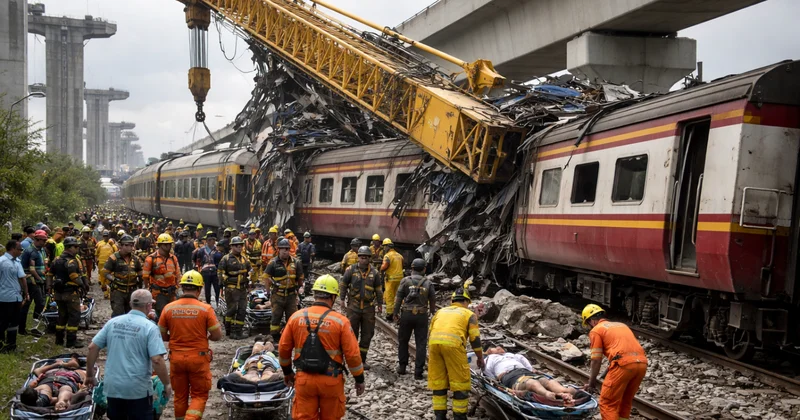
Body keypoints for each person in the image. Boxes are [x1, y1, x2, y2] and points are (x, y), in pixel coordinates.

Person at [278, 275, 366, 420]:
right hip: (331, 381)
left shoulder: (296, 317)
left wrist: (287, 372)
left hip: (304, 380)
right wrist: (359, 379)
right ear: (333, 297)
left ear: (314, 294)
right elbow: (352, 355)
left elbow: (283, 348)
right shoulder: (341, 321)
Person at [85, 290, 171, 420]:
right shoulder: (150, 327)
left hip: (113, 387)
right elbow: (157, 359)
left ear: (131, 304)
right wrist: (166, 384)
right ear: (149, 305)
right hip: (138, 390)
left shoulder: (113, 323)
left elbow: (92, 348)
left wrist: (90, 375)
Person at [159, 270, 222, 420]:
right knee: (199, 395)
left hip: (176, 358)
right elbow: (217, 335)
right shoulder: (205, 309)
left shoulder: (168, 308)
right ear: (199, 289)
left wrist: (174, 336)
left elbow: (161, 334)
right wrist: (205, 337)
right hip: (198, 359)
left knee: (180, 396)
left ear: (182, 288)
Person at [428, 279, 484, 420]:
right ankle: (459, 416)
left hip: (434, 344)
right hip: (453, 345)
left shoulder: (440, 311)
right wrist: (480, 358)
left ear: (452, 300)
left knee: (439, 381)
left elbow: (431, 331)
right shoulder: (469, 314)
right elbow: (475, 340)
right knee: (461, 382)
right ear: (466, 301)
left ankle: (440, 416)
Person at [582, 304, 648, 420]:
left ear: (591, 321)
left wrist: (591, 382)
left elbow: (596, 360)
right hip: (641, 364)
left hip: (623, 365)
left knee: (607, 403)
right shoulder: (622, 325)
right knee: (625, 401)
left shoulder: (596, 330)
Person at [484, 346, 576, 403]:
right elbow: (486, 370)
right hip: (509, 375)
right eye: (495, 348)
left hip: (525, 371)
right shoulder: (490, 358)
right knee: (531, 383)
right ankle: (548, 394)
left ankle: (564, 391)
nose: (499, 347)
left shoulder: (511, 355)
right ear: (489, 352)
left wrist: (530, 370)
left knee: (545, 381)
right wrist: (495, 380)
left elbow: (522, 358)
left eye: (499, 347)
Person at [340, 245, 382, 370]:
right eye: (362, 257)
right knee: (351, 333)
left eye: (366, 258)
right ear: (358, 258)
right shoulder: (351, 270)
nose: (364, 260)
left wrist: (380, 304)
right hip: (354, 306)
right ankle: (351, 359)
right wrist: (342, 299)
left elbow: (378, 290)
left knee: (367, 334)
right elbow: (343, 284)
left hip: (368, 308)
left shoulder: (375, 273)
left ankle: (362, 359)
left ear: (369, 259)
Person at [393, 258, 435, 379]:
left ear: (412, 268)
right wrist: (432, 312)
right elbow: (432, 300)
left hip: (407, 314)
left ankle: (402, 367)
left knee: (403, 340)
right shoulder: (428, 283)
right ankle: (418, 372)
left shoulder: (405, 281)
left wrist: (395, 313)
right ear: (424, 269)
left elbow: (398, 298)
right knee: (421, 343)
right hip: (421, 316)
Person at [49, 237, 88, 348]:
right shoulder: (72, 261)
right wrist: (83, 285)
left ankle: (59, 340)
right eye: (75, 246)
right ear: (69, 247)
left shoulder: (56, 260)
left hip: (58, 294)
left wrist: (49, 287)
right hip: (70, 294)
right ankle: (71, 341)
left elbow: (49, 274)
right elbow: (74, 276)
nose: (77, 249)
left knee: (62, 316)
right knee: (74, 316)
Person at [264, 238, 304, 343]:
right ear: (279, 250)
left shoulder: (296, 262)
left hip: (291, 295)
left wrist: (301, 288)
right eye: (283, 249)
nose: (285, 251)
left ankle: (290, 337)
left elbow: (300, 277)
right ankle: (275, 338)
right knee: (276, 316)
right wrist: (268, 292)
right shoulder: (273, 263)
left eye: (287, 249)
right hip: (278, 295)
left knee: (292, 317)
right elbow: (266, 277)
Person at [20, 354, 88, 410]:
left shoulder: (77, 370)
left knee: (62, 389)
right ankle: (62, 401)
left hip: (59, 380)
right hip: (59, 380)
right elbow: (37, 371)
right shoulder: (76, 371)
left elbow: (37, 371)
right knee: (65, 390)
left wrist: (61, 364)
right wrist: (58, 364)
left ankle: (61, 401)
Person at [218, 236, 252, 339]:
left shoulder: (244, 258)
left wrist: (249, 278)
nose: (239, 247)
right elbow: (220, 273)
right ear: (232, 246)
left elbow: (250, 270)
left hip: (242, 288)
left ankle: (238, 331)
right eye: (237, 245)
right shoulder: (226, 259)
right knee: (232, 309)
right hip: (231, 288)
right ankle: (229, 329)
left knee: (242, 309)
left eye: (241, 245)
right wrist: (226, 281)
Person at [142, 233, 181, 319]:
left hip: (172, 293)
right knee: (162, 316)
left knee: (173, 315)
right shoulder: (151, 259)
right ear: (159, 245)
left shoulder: (173, 258)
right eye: (165, 244)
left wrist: (179, 287)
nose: (168, 246)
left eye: (169, 244)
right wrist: (148, 289)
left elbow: (178, 274)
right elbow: (145, 276)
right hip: (159, 294)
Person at [104, 235, 143, 317]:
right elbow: (105, 272)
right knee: (118, 313)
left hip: (132, 290)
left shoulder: (135, 259)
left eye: (131, 245)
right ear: (120, 246)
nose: (129, 247)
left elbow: (140, 271)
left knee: (131, 313)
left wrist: (140, 285)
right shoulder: (113, 258)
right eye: (126, 245)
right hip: (118, 290)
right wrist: (113, 279)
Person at [0, 240, 28, 352]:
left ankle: (11, 345)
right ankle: (2, 344)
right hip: (4, 297)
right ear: (13, 249)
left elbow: (23, 278)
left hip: (16, 297)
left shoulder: (17, 262)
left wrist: (26, 294)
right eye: (19, 249)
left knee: (14, 322)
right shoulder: (2, 261)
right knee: (3, 321)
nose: (21, 251)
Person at [19, 230, 48, 335]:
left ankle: (24, 327)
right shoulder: (32, 251)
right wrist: (41, 280)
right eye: (43, 240)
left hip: (36, 280)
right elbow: (32, 269)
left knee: (28, 303)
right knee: (39, 302)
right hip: (32, 281)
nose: (45, 242)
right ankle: (31, 326)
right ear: (37, 240)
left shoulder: (39, 250)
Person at [194, 232, 223, 306]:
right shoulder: (201, 250)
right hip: (205, 272)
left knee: (217, 288)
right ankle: (208, 303)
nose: (212, 241)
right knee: (207, 288)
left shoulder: (217, 250)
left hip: (215, 272)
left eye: (213, 240)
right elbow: (196, 259)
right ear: (206, 241)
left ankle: (217, 303)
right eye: (210, 240)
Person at [380, 238, 404, 321]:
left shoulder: (387, 256)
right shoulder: (400, 255)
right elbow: (402, 265)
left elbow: (384, 267)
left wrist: (381, 271)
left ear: (387, 246)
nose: (383, 248)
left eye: (384, 246)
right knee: (398, 296)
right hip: (400, 279)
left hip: (391, 279)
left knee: (389, 296)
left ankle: (390, 314)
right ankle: (398, 312)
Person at [96, 230, 118, 300]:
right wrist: (96, 261)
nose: (106, 237)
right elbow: (96, 254)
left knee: (109, 279)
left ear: (109, 236)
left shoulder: (112, 244)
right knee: (102, 280)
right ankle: (105, 293)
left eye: (107, 236)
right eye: (104, 236)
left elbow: (116, 252)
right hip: (101, 264)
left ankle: (109, 293)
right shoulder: (99, 244)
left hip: (110, 263)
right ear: (103, 236)